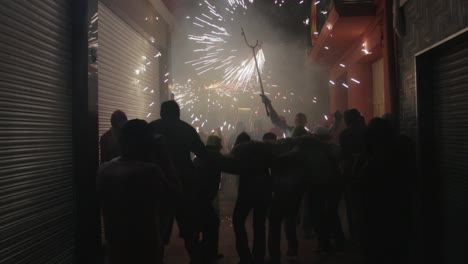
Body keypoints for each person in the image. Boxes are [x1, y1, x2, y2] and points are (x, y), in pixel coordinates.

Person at [97, 119, 180, 264]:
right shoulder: (150, 171)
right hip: (145, 250)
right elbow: (176, 193)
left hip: (116, 249)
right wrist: (163, 155)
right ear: (147, 144)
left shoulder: (104, 170)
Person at [150, 100, 206, 263]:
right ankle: (196, 259)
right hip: (184, 185)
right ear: (178, 113)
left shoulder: (152, 128)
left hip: (159, 185)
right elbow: (202, 153)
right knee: (190, 231)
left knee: (158, 232)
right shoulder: (186, 129)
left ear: (161, 112)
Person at [231, 132, 273, 264]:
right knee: (259, 225)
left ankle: (245, 256)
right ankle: (259, 256)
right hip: (264, 191)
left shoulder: (239, 150)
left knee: (238, 221)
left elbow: (230, 164)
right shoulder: (262, 149)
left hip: (247, 192)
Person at [193, 135, 228, 263]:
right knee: (211, 225)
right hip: (204, 196)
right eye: (220, 144)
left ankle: (202, 254)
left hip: (196, 196)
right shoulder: (215, 155)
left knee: (201, 226)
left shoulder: (199, 156)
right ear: (217, 145)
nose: (221, 147)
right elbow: (230, 165)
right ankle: (204, 255)